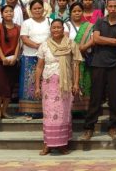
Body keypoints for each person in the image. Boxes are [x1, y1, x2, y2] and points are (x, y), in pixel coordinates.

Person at [81, 0, 116, 141]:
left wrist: (104, 40)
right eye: (110, 6)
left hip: (114, 64)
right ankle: (89, 128)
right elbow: (95, 39)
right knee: (96, 97)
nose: (113, 8)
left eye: (115, 6)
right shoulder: (100, 21)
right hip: (98, 63)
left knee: (114, 97)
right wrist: (113, 41)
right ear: (106, 7)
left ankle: (113, 127)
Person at [34, 18, 82, 156]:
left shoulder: (71, 44)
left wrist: (76, 83)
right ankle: (47, 144)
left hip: (65, 86)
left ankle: (62, 144)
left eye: (58, 27)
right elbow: (39, 67)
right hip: (49, 85)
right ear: (50, 29)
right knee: (49, 115)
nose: (56, 30)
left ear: (63, 29)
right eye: (53, 27)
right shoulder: (44, 45)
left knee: (63, 115)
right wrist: (37, 86)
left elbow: (76, 65)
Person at [19, 0, 51, 117]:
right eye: (35, 9)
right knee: (30, 83)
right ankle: (29, 111)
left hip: (47, 57)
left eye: (39, 8)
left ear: (44, 9)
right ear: (30, 10)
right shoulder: (27, 23)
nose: (37, 10)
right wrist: (39, 46)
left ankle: (46, 110)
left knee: (46, 83)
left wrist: (45, 49)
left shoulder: (50, 21)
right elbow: (24, 38)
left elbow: (54, 36)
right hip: (30, 56)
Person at [0, 5, 21, 121]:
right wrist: (3, 57)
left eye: (11, 11)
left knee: (10, 86)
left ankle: (5, 110)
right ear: (2, 14)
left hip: (13, 60)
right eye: (6, 11)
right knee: (0, 86)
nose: (9, 13)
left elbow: (19, 43)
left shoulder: (18, 28)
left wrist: (15, 57)